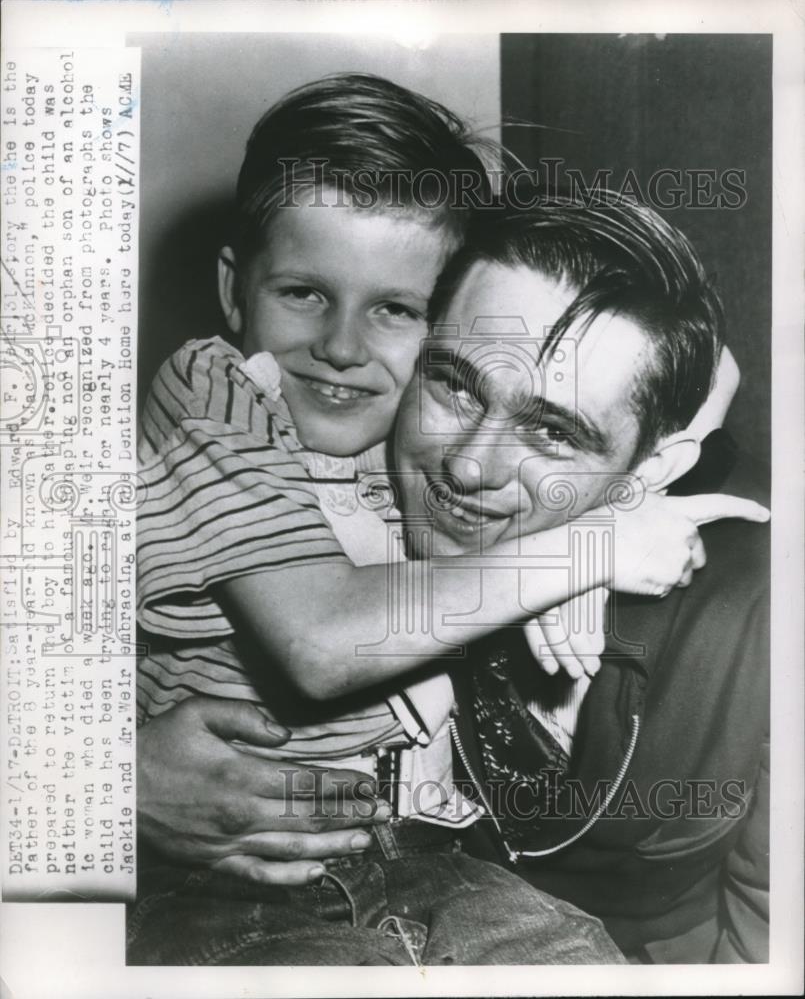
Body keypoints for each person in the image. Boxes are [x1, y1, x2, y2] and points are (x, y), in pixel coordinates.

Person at [131, 177, 769, 963]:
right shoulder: (297, 438)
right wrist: (99, 785)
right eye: (454, 385)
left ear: (647, 472)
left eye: (553, 433)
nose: (468, 468)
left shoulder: (748, 601)